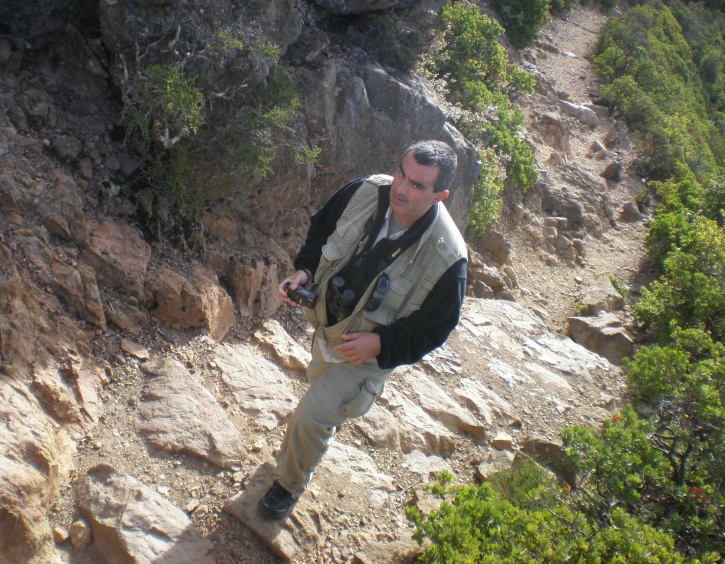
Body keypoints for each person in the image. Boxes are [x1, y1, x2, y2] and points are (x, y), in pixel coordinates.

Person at [258, 140, 468, 519]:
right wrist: (304, 270)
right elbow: (320, 229)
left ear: (441, 195)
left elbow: (435, 329)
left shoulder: (449, 257)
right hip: (326, 325)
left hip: (365, 354)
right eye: (402, 172)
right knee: (319, 390)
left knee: (311, 417)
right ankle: (326, 421)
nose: (401, 188)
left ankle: (288, 485)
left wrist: (381, 344)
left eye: (418, 185)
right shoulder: (366, 191)